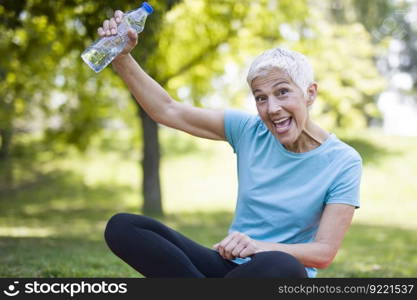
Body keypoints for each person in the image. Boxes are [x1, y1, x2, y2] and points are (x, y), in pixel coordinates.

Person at [101, 10, 362, 278]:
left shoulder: (343, 161)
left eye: (282, 92)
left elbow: (324, 253)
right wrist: (121, 57)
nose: (272, 108)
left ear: (310, 93)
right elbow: (168, 111)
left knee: (283, 265)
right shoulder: (249, 130)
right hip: (229, 268)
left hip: (276, 273)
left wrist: (259, 247)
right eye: (261, 98)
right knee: (124, 227)